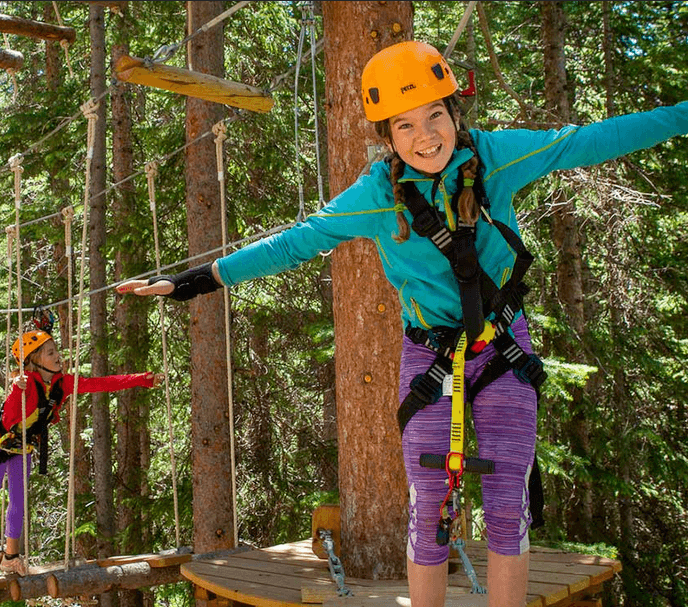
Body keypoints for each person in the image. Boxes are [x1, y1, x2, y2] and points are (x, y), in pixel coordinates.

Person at [116, 40, 688, 607]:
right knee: (430, 504)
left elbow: (588, 141)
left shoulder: (495, 159)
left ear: (455, 115)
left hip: (503, 346)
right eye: (406, 126)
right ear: (387, 137)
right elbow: (296, 243)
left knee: (508, 502)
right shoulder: (374, 197)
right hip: (430, 360)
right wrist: (195, 280)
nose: (426, 137)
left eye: (435, 116)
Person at [0, 325, 163, 583]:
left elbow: (101, 384)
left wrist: (142, 379)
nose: (58, 355)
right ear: (34, 362)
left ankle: (10, 558)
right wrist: (16, 390)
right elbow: (10, 417)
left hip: (23, 447)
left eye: (56, 350)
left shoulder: (63, 383)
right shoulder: (23, 386)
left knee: (18, 502)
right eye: (49, 352)